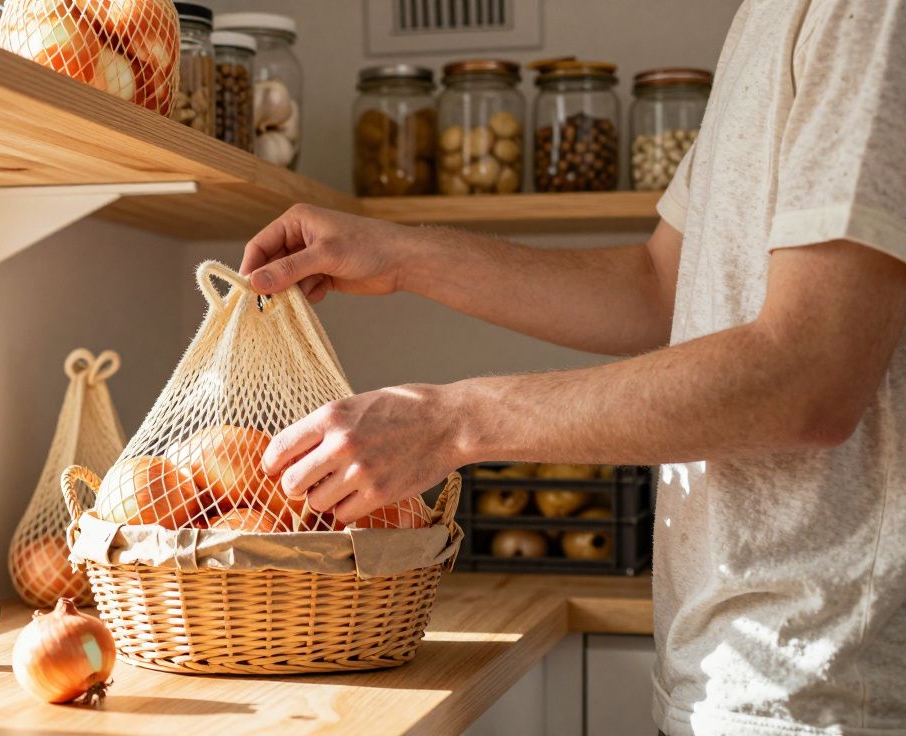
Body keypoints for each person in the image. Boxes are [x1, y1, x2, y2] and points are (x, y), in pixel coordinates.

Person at [240, 1, 905, 734]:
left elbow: (808, 375)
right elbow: (659, 286)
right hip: (732, 675)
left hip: (830, 689)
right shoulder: (768, 17)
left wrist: (454, 422)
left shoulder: (865, 14)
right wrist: (400, 255)